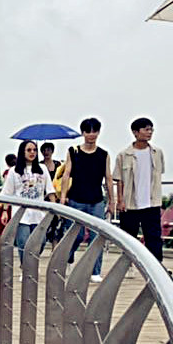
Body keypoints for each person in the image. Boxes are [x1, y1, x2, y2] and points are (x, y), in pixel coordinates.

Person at [59, 118, 117, 283]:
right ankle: (68, 259)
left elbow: (108, 177)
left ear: (99, 132)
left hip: (96, 201)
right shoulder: (74, 151)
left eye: (94, 131)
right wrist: (63, 197)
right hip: (76, 199)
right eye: (88, 131)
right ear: (83, 133)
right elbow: (66, 174)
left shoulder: (103, 154)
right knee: (73, 236)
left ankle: (95, 271)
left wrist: (111, 201)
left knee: (96, 237)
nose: (91, 135)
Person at [114, 117, 166, 261]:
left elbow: (159, 173)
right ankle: (127, 265)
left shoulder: (157, 152)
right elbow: (119, 180)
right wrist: (120, 201)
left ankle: (158, 267)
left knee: (154, 237)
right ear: (136, 132)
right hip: (130, 203)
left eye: (151, 129)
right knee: (129, 238)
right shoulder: (124, 155)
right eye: (146, 129)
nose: (150, 132)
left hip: (152, 202)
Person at [0, 140, 56, 260]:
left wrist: (55, 207)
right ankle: (25, 267)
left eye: (34, 150)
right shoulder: (14, 171)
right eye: (29, 150)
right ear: (22, 152)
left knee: (41, 242)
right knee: (23, 242)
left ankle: (32, 263)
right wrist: (5, 211)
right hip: (21, 214)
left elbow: (50, 190)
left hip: (39, 213)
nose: (32, 153)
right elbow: (7, 193)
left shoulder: (42, 168)